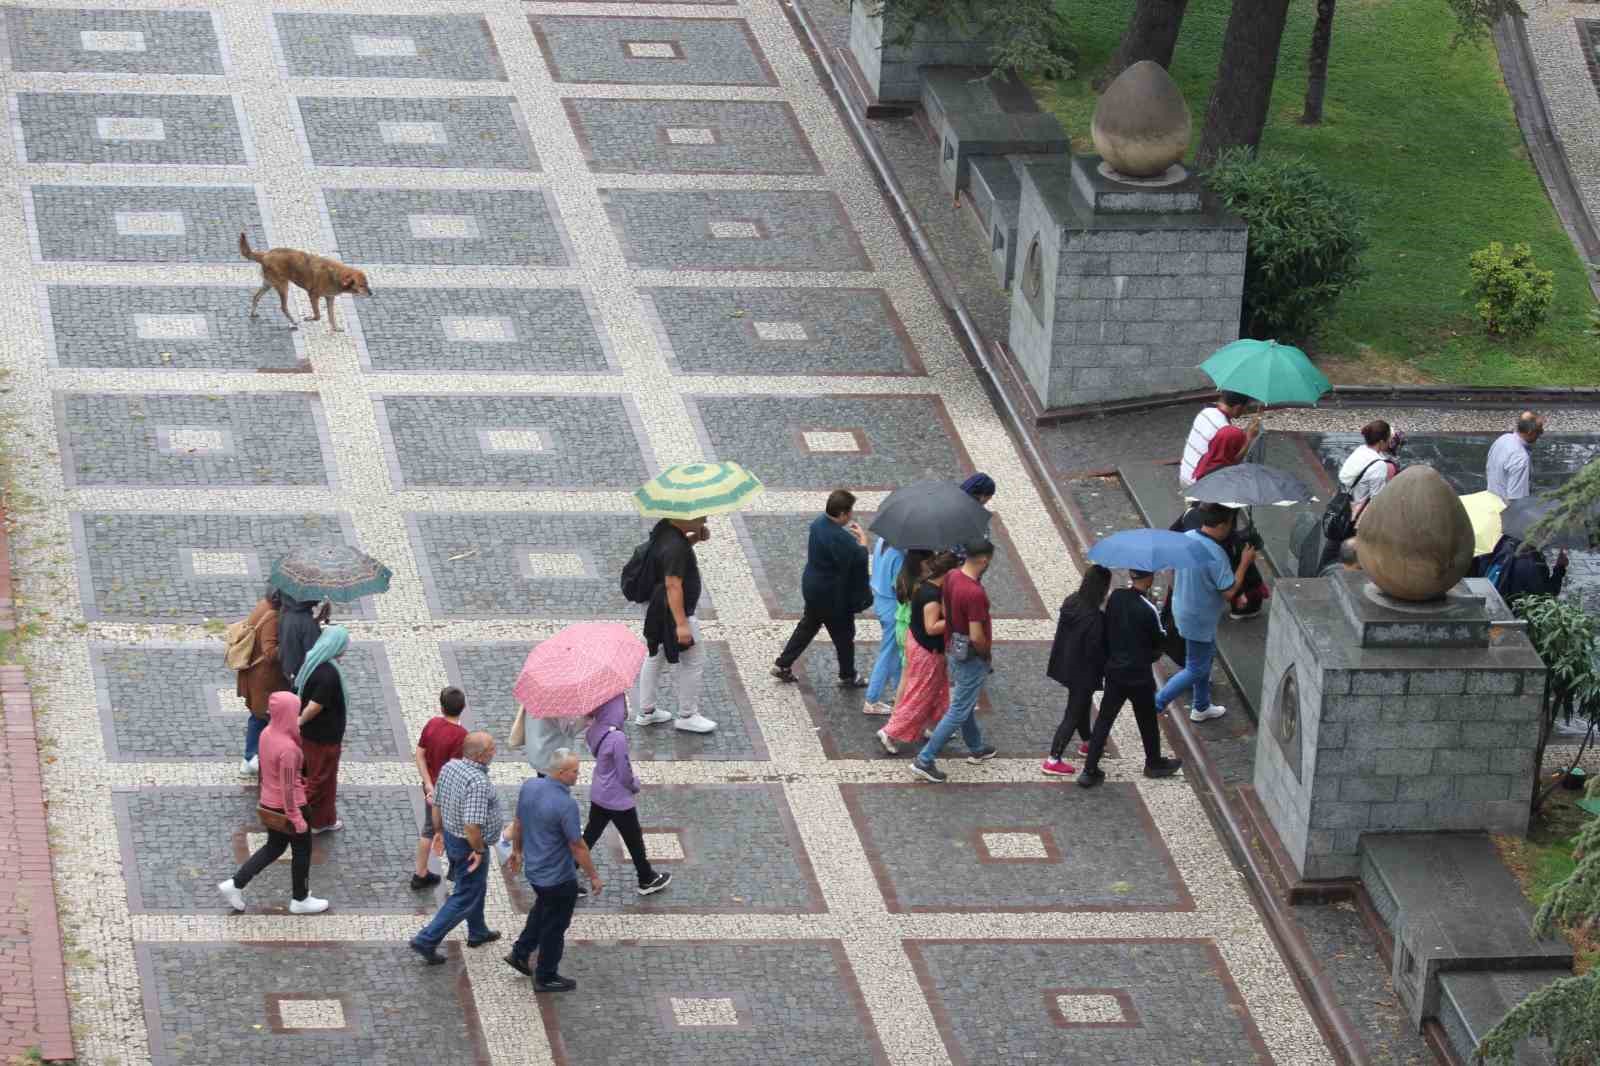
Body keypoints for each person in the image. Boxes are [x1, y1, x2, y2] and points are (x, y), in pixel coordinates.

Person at [217, 690, 329, 914]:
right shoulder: (288, 749)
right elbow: (288, 787)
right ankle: (300, 898)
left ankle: (236, 883)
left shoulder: (267, 733)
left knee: (274, 847)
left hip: (269, 803)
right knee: (301, 851)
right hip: (291, 807)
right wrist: (297, 818)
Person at [505, 749, 604, 993]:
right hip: (558, 877)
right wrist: (593, 875)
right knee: (555, 926)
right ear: (561, 773)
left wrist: (517, 851)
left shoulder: (530, 786)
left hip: (536, 872)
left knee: (542, 910)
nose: (578, 776)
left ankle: (520, 952)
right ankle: (546, 975)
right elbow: (577, 845)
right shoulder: (565, 804)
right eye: (575, 772)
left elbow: (518, 823)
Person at [1079, 570, 1183, 788]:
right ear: (1150, 578)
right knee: (1147, 720)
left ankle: (1089, 769)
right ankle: (1153, 762)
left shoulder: (1115, 597)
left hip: (1115, 672)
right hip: (1139, 675)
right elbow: (1160, 639)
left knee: (1104, 720)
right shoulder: (1148, 609)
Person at [1155, 505, 1256, 723]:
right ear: (1221, 525)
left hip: (1182, 606)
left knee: (1204, 658)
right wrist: (1245, 563)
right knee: (1195, 667)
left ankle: (1201, 706)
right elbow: (1229, 591)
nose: (1231, 529)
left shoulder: (1188, 536)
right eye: (1230, 524)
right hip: (1199, 617)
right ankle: (1157, 703)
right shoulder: (1216, 554)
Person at [410, 732, 504, 965]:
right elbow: (472, 825)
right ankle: (427, 939)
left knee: (475, 886)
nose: (495, 751)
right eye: (492, 748)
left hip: (452, 838)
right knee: (465, 894)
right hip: (469, 845)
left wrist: (439, 831)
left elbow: (437, 803)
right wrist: (479, 850)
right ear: (482, 755)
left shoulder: (450, 767)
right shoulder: (478, 782)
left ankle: (478, 930)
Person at [910, 540, 998, 782]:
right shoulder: (975, 592)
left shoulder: (951, 577)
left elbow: (947, 611)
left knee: (963, 699)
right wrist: (985, 652)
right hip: (971, 654)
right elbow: (977, 635)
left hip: (953, 648)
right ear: (983, 560)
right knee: (958, 708)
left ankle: (976, 746)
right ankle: (924, 760)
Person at [771, 490, 871, 686]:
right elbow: (858, 560)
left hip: (813, 588)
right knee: (844, 636)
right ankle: (848, 675)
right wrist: (863, 542)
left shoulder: (818, 523)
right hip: (833, 597)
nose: (851, 516)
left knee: (808, 627)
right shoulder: (840, 538)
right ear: (842, 514)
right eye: (850, 512)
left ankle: (783, 664)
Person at [583, 695, 671, 896]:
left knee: (590, 834)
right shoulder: (618, 738)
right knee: (634, 839)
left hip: (600, 792)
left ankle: (569, 870)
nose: (625, 710)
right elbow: (624, 773)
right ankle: (646, 878)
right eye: (623, 706)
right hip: (618, 798)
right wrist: (635, 785)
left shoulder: (595, 729)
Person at [637, 516, 716, 734]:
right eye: (700, 515)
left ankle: (646, 710)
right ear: (683, 517)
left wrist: (693, 539)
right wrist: (682, 625)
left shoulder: (664, 530)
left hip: (656, 608)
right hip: (673, 612)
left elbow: (666, 558)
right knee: (694, 661)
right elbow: (673, 584)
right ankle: (687, 715)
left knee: (655, 654)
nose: (705, 517)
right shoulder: (675, 547)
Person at [876, 552, 957, 755]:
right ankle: (891, 732)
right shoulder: (932, 596)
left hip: (920, 644)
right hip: (927, 650)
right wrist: (955, 621)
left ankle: (935, 725)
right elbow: (932, 627)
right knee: (920, 695)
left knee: (938, 690)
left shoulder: (927, 586)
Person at [1042, 564, 1111, 776]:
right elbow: (1096, 650)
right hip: (1084, 672)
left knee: (1081, 704)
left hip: (1066, 664)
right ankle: (1053, 759)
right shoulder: (1095, 619)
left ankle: (1087, 742)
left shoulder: (1072, 601)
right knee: (1073, 712)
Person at [411, 686, 468, 891]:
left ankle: (420, 873)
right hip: (449, 794)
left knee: (428, 830)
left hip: (430, 789)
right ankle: (456, 874)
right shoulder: (462, 736)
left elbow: (419, 754)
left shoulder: (433, 724)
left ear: (441, 706)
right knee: (454, 832)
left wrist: (427, 783)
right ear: (463, 707)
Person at [294, 625, 350, 833]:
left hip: (315, 734)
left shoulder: (312, 660)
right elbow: (315, 706)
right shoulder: (329, 675)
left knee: (323, 778)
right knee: (320, 779)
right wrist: (299, 721)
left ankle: (323, 819)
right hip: (323, 736)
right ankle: (297, 815)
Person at [235, 588, 283, 777]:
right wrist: (292, 644)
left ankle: (250, 758)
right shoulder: (273, 616)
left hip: (256, 676)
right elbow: (270, 651)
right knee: (263, 716)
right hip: (264, 679)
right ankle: (252, 759)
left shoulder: (264, 605)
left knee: (259, 716)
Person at [862, 535, 905, 716]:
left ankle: (900, 693)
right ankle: (872, 699)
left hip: (881, 601)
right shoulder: (900, 554)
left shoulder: (882, 540)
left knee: (894, 652)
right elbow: (900, 588)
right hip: (892, 606)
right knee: (888, 653)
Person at [1179, 392, 1261, 488]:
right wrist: (1248, 439)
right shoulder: (1225, 431)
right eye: (1246, 407)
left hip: (1185, 474)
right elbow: (1232, 463)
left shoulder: (1205, 412)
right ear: (1238, 408)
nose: (1245, 411)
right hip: (1199, 484)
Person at [1338, 420, 1399, 527]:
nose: (1390, 441)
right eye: (1389, 438)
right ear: (1381, 442)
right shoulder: (1379, 465)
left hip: (1345, 504)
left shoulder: (1360, 450)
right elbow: (1377, 501)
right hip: (1357, 515)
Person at [1486, 411, 1544, 501]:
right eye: (1540, 431)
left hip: (1492, 496)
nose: (1541, 434)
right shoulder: (1520, 458)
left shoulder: (1503, 438)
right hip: (1505, 507)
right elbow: (1516, 500)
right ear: (1530, 431)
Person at [278, 596, 323, 686]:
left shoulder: (286, 615)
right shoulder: (307, 622)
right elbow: (313, 653)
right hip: (302, 675)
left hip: (289, 668)